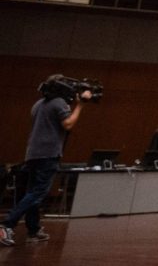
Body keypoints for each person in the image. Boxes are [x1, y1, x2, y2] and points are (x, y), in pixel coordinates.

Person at [1, 76, 92, 247]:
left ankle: (33, 230)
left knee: (33, 193)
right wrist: (80, 106)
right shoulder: (59, 103)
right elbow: (68, 124)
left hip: (33, 154)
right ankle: (6, 225)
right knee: (37, 193)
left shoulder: (39, 104)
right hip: (48, 153)